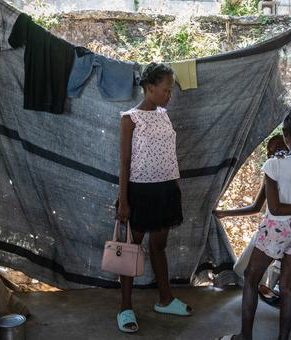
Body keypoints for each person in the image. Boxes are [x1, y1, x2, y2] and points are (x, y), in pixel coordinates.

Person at [219, 104, 291, 340]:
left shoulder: (274, 165)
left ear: (285, 136)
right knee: (288, 287)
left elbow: (275, 208)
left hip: (277, 228)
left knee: (250, 276)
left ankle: (244, 337)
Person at [116, 62, 192, 334]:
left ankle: (165, 299)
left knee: (159, 245)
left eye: (170, 91)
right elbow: (124, 162)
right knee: (131, 250)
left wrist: (176, 185)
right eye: (165, 90)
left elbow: (170, 155)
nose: (169, 95)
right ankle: (125, 307)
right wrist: (123, 200)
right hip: (140, 191)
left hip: (165, 191)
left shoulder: (164, 115)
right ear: (149, 88)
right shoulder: (130, 118)